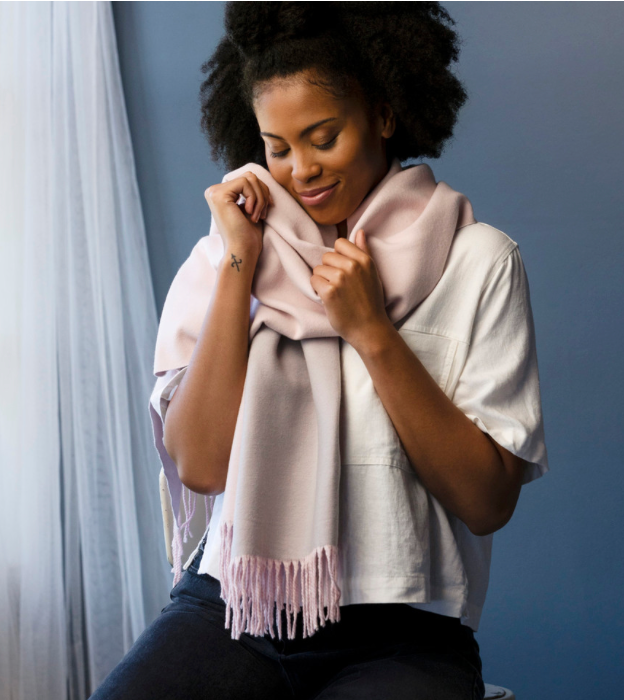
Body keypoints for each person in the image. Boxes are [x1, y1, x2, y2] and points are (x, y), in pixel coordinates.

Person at [91, 2, 549, 699]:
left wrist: (372, 332)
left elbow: (486, 501)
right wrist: (239, 265)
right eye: (278, 148)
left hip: (405, 630)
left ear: (383, 115)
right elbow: (200, 464)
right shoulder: (225, 255)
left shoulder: (477, 261)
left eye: (323, 138)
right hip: (237, 607)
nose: (301, 170)